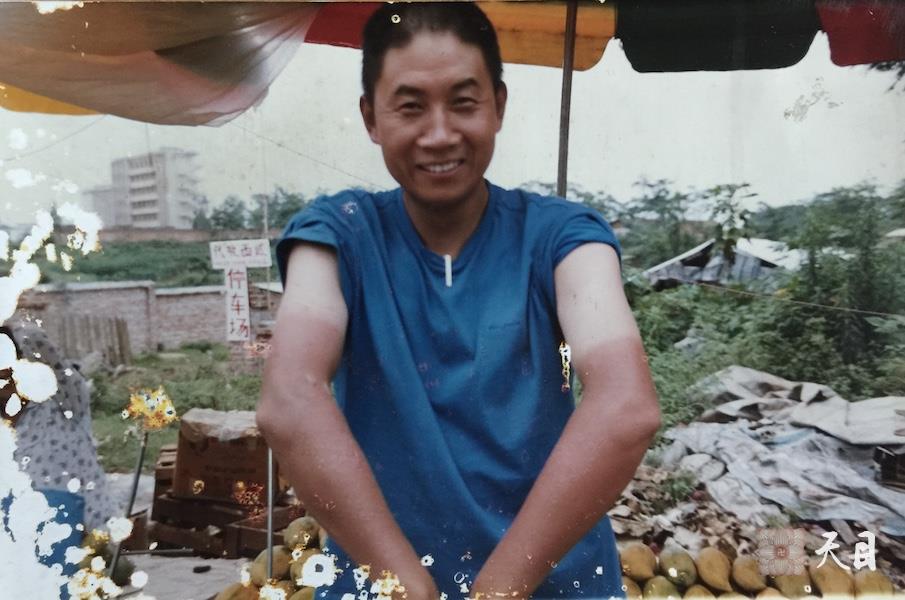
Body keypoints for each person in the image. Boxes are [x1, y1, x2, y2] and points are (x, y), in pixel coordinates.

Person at [257, 4, 660, 599]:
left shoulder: (564, 238)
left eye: (464, 103)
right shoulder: (336, 236)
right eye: (410, 106)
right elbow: (290, 400)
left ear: (498, 105)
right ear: (370, 117)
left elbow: (625, 407)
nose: (440, 133)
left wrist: (497, 590)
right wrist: (407, 587)